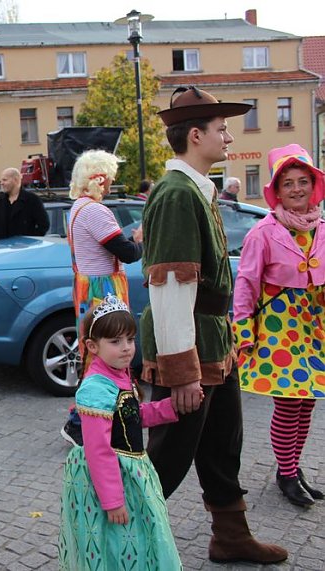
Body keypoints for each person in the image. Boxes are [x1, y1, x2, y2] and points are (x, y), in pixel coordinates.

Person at [140, 86, 286, 564]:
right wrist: (182, 372)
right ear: (195, 135)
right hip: (189, 348)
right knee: (168, 456)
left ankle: (231, 536)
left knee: (222, 445)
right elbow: (169, 286)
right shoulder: (176, 194)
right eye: (221, 129)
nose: (229, 137)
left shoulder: (197, 189)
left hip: (213, 341)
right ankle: (120, 544)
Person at [58, 294, 181, 570]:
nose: (126, 348)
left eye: (130, 339)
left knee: (140, 535)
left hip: (132, 471)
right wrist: (112, 501)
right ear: (93, 346)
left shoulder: (120, 373)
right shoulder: (95, 388)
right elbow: (98, 449)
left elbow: (131, 418)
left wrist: (169, 408)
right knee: (115, 542)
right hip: (111, 477)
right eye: (115, 342)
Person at [232, 144, 325, 507]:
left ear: (313, 185)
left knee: (307, 402)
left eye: (303, 181)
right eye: (288, 184)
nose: (297, 189)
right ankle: (286, 474)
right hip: (278, 329)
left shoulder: (321, 229)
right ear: (278, 191)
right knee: (288, 404)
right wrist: (243, 333)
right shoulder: (263, 232)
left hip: (314, 328)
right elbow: (246, 284)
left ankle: (292, 468)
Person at [61, 150, 143, 447]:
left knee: (94, 353)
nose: (110, 184)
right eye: (109, 178)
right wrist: (139, 239)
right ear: (98, 178)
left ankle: (92, 419)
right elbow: (127, 253)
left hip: (87, 287)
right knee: (106, 354)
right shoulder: (95, 211)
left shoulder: (78, 208)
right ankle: (79, 423)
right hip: (103, 288)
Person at [0, 167, 49, 240]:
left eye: (5, 180)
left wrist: (30, 241)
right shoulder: (0, 201)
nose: (1, 183)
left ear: (16, 180)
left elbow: (43, 225)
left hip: (25, 246)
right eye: (1, 180)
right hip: (3, 245)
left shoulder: (32, 200)